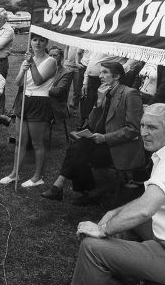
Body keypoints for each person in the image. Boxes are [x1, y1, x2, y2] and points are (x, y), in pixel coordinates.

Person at [71, 104, 165, 285]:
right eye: (142, 125)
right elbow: (146, 204)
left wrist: (102, 229)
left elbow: (144, 209)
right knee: (126, 222)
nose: (143, 133)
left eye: (152, 127)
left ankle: (111, 269)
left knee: (91, 248)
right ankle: (128, 274)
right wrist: (114, 213)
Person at [41, 62, 144, 204]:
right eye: (100, 72)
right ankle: (87, 192)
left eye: (104, 72)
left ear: (117, 76)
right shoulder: (104, 92)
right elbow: (91, 124)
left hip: (119, 147)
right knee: (79, 147)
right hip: (100, 142)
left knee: (78, 149)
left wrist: (105, 137)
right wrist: (99, 102)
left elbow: (133, 129)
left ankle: (67, 187)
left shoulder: (129, 94)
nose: (100, 76)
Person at [0, 34, 57, 188]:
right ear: (31, 41)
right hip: (24, 98)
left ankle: (38, 177)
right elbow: (18, 82)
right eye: (35, 40)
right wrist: (23, 68)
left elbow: (38, 81)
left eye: (41, 40)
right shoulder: (27, 60)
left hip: (40, 100)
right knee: (20, 141)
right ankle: (14, 173)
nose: (37, 43)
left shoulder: (51, 61)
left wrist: (31, 64)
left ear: (46, 43)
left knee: (37, 143)